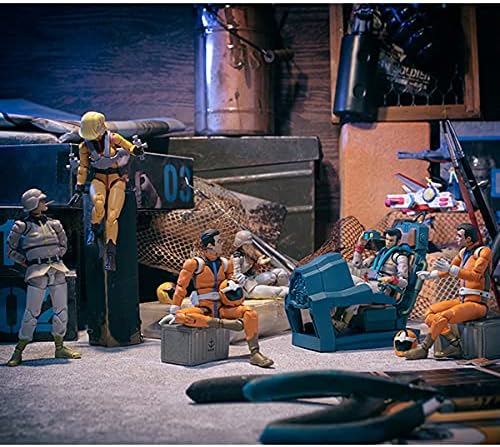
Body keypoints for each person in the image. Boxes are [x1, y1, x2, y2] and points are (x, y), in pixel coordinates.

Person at [161, 228, 273, 368]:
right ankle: (225, 324)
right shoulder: (194, 264)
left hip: (222, 308)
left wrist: (236, 284)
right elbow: (181, 287)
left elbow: (232, 283)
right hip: (204, 309)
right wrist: (175, 308)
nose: (222, 243)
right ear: (210, 246)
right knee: (181, 317)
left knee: (250, 313)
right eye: (219, 241)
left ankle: (255, 353)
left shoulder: (226, 263)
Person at [6, 189, 81, 366]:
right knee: (31, 312)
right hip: (37, 271)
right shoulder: (21, 226)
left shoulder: (54, 224)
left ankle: (59, 347)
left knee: (61, 310)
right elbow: (10, 250)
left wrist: (58, 254)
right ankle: (19, 350)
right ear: (32, 204)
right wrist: (26, 261)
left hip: (56, 268)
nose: (44, 202)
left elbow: (63, 243)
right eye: (40, 200)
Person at [405, 223, 491, 360]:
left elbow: (475, 276)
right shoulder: (463, 253)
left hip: (478, 304)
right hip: (462, 300)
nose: (456, 238)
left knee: (443, 316)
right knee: (429, 313)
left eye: (459, 236)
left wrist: (451, 269)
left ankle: (424, 348)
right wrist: (431, 275)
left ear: (468, 239)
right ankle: (454, 343)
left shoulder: (483, 252)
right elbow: (449, 270)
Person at [75, 111, 144, 271]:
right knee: (98, 204)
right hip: (98, 178)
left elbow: (129, 147)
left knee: (112, 216)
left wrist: (136, 150)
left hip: (115, 179)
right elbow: (83, 168)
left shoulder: (113, 138)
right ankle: (94, 229)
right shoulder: (85, 146)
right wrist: (79, 187)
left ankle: (111, 252)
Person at [333, 228, 411, 331]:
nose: (388, 242)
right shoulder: (380, 254)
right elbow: (357, 265)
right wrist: (360, 245)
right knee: (347, 280)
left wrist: (391, 279)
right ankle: (335, 316)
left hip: (383, 289)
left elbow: (404, 282)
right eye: (386, 239)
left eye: (391, 240)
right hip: (370, 282)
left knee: (359, 290)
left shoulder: (400, 258)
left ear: (398, 241)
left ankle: (343, 323)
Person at [231, 230, 289, 299]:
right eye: (246, 245)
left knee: (279, 273)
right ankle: (290, 292)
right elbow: (236, 276)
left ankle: (288, 288)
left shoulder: (248, 254)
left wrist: (258, 264)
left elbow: (251, 269)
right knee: (279, 291)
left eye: (250, 244)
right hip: (247, 288)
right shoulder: (236, 257)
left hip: (253, 280)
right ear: (240, 245)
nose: (249, 246)